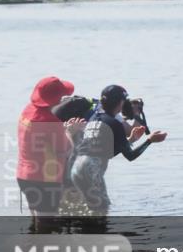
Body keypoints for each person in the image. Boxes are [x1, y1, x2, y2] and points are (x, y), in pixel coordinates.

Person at [70, 85, 167, 214]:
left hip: (77, 169)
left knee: (96, 210)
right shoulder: (114, 124)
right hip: (91, 171)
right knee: (101, 212)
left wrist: (130, 141)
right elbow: (130, 156)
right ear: (120, 103)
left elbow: (101, 153)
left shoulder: (94, 119)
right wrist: (150, 140)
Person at [16, 76, 85, 225]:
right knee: (47, 228)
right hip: (44, 181)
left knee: (36, 223)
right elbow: (66, 151)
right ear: (55, 99)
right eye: (62, 96)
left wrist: (62, 129)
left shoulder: (27, 111)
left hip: (24, 176)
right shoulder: (50, 121)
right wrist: (70, 131)